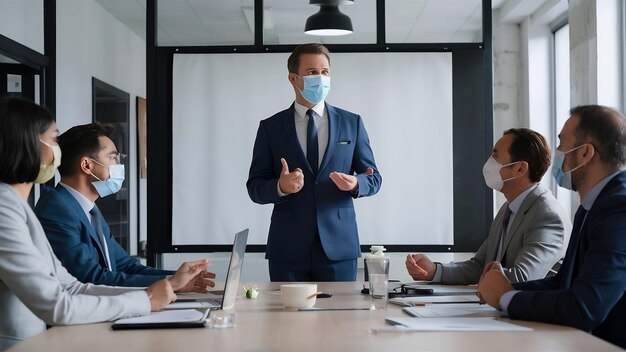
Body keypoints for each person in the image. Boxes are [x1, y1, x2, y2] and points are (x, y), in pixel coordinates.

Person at [0, 97, 209, 350]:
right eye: (54, 140)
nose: (58, 151)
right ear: (27, 143)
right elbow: (59, 304)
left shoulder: (20, 207)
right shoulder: (11, 210)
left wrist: (167, 284)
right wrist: (146, 299)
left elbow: (72, 285)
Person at [478, 105, 626, 349]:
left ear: (585, 153)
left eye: (562, 143)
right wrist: (505, 286)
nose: (556, 153)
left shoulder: (618, 209)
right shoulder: (593, 205)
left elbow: (584, 307)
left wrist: (505, 297)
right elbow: (563, 283)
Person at [246, 43, 382, 281]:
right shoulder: (271, 128)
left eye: (325, 72)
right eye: (312, 72)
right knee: (286, 318)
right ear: (293, 78)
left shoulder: (352, 122)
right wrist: (280, 187)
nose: (320, 78)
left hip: (339, 246)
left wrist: (356, 183)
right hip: (287, 247)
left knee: (341, 318)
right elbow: (255, 187)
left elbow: (374, 178)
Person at [34, 122, 216, 288]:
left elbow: (125, 266)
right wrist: (171, 283)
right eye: (113, 158)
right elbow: (90, 277)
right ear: (87, 165)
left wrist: (179, 277)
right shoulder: (56, 209)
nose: (119, 165)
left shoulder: (89, 209)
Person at [406, 128, 570, 284]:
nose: (489, 163)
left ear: (519, 169)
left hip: (530, 312)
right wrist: (435, 271)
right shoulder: (509, 207)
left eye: (495, 156)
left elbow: (522, 278)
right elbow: (480, 265)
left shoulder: (546, 215)